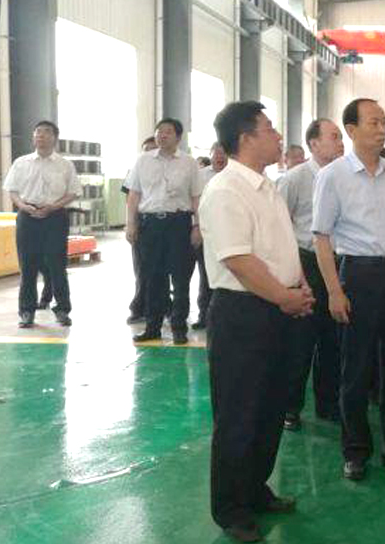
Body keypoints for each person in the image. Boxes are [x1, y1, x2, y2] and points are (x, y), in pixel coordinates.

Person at [200, 100, 315, 543]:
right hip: (243, 313)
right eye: (269, 129)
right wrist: (285, 297)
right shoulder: (225, 190)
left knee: (269, 407)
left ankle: (254, 488)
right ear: (246, 138)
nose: (278, 135)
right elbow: (239, 261)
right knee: (239, 413)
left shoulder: (267, 186)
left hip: (277, 309)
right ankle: (231, 508)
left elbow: (282, 248)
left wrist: (299, 286)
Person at [312, 98, 385, 482]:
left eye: (384, 122)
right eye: (374, 122)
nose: (382, 129)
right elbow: (321, 237)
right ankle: (355, 451)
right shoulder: (333, 176)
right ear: (352, 129)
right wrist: (334, 291)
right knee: (356, 369)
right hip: (358, 276)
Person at [276, 118, 345, 429]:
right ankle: (290, 406)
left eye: (341, 137)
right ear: (314, 144)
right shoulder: (295, 178)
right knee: (301, 340)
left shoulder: (344, 175)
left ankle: (328, 403)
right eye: (334, 137)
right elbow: (280, 224)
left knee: (333, 338)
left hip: (337, 261)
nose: (341, 142)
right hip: (306, 262)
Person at [125, 118, 202, 345]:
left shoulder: (189, 163)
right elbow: (134, 195)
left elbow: (196, 197)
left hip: (179, 224)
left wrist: (197, 226)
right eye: (159, 131)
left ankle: (179, 328)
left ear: (178, 137)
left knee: (180, 278)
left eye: (168, 132)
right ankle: (152, 327)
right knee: (152, 278)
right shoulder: (143, 160)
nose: (162, 135)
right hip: (150, 225)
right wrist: (131, 224)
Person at [2, 120, 80, 328]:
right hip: (27, 216)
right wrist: (22, 206)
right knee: (27, 266)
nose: (40, 136)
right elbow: (12, 190)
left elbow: (73, 192)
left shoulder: (65, 165)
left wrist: (53, 206)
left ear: (55, 137)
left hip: (55, 217)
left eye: (46, 132)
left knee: (57, 265)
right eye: (37, 132)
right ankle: (27, 312)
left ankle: (62, 309)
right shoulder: (21, 163)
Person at [192, 143, 227, 330]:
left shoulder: (235, 175)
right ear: (211, 155)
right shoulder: (200, 176)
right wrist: (196, 227)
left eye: (223, 153)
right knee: (206, 276)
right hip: (206, 234)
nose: (220, 157)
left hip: (228, 234)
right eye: (216, 153)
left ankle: (223, 318)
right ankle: (204, 316)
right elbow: (194, 203)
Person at [126, 136, 160, 324]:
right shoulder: (136, 170)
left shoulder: (170, 169)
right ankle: (139, 307)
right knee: (142, 268)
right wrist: (131, 223)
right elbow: (130, 198)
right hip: (143, 223)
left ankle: (163, 306)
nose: (150, 153)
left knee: (163, 270)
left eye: (153, 149)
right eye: (146, 149)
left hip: (167, 224)